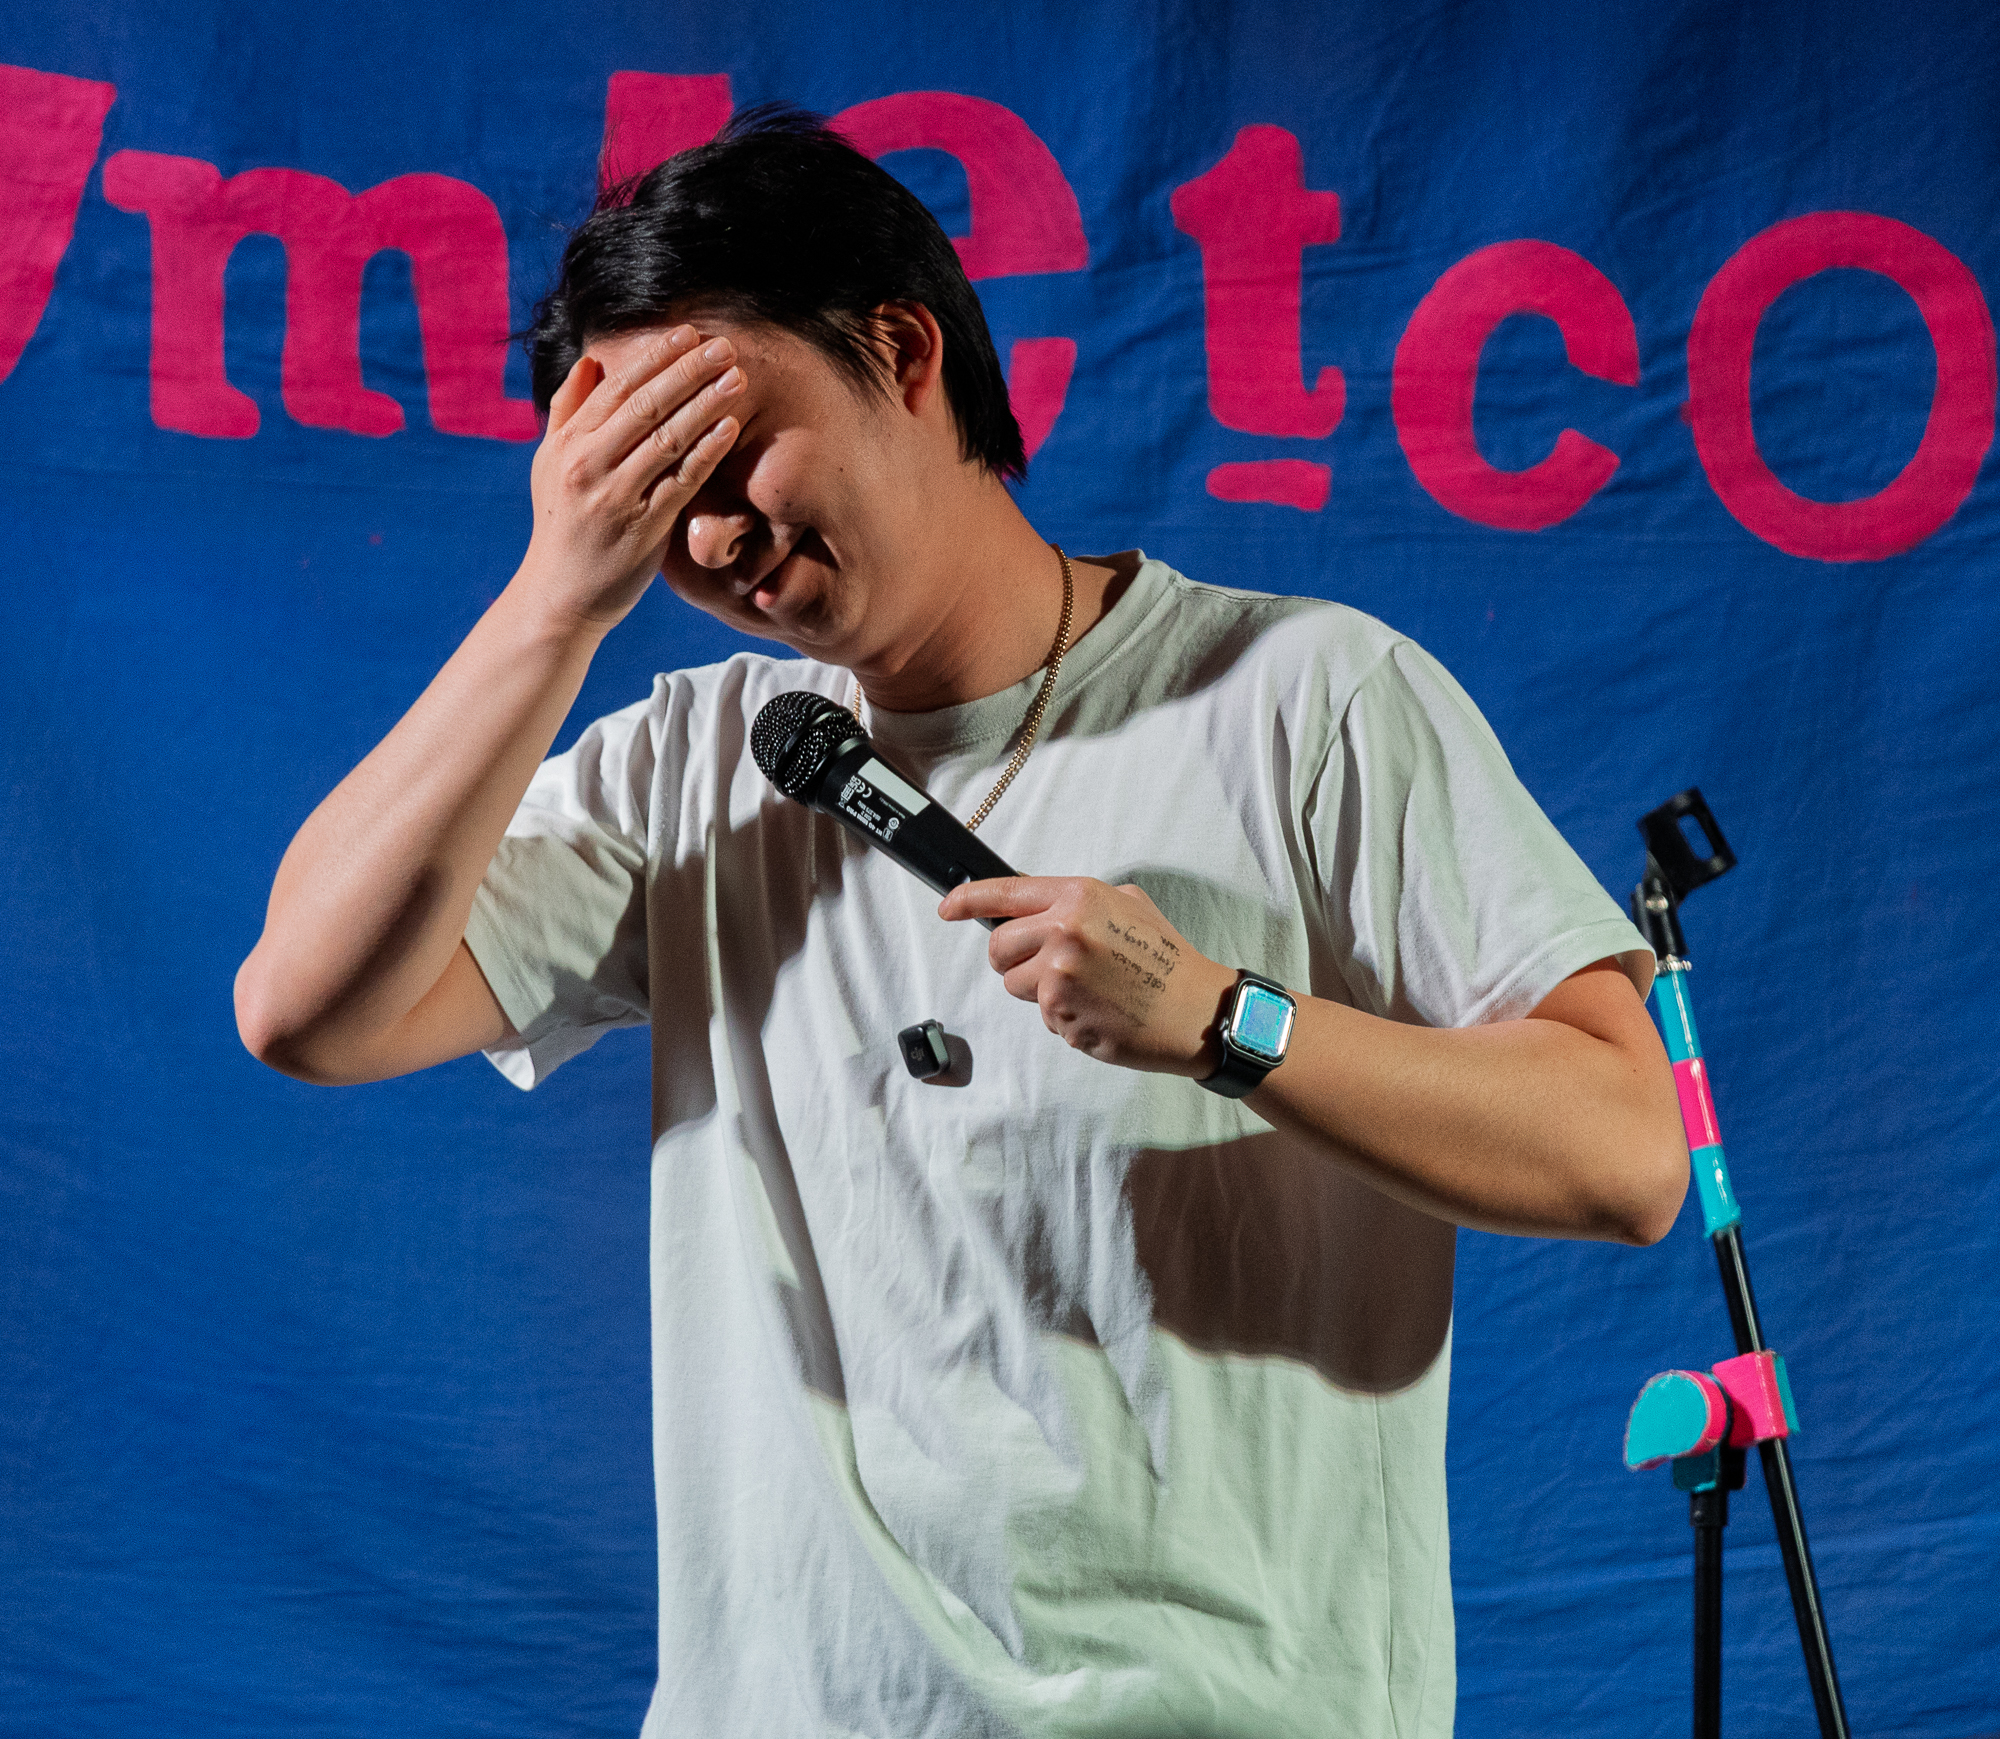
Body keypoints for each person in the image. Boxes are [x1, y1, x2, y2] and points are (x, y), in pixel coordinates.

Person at [236, 105, 1686, 1738]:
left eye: (726, 448)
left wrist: (1226, 1021)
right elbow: (308, 1008)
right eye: (646, 492)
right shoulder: (694, 764)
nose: (707, 535)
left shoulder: (1309, 698)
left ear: (904, 350)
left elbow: (1629, 1149)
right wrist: (552, 599)